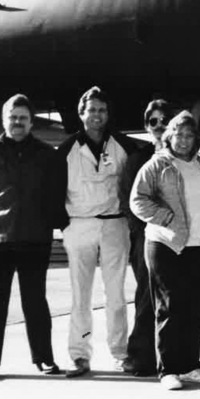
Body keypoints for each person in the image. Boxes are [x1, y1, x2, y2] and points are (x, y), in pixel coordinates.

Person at [130, 111, 200, 390]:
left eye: (189, 135)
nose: (184, 140)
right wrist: (165, 217)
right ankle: (168, 370)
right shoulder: (157, 166)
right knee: (169, 307)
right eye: (179, 134)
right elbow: (137, 200)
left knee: (195, 308)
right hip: (167, 245)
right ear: (169, 136)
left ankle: (190, 365)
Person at [0, 94, 66, 381]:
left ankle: (44, 359)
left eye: (23, 118)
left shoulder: (47, 155)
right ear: (4, 120)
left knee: (35, 302)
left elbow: (55, 194)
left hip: (35, 238)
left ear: (31, 121)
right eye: (13, 117)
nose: (17, 123)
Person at [57, 86, 140, 377]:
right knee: (81, 295)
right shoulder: (66, 149)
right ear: (81, 113)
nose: (97, 115)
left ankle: (120, 354)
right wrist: (63, 223)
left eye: (102, 110)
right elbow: (53, 189)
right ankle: (79, 356)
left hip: (115, 224)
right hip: (79, 224)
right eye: (91, 109)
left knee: (116, 293)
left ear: (108, 114)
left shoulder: (123, 146)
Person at [118, 99, 173, 377]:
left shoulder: (185, 158)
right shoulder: (138, 159)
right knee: (147, 298)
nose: (160, 126)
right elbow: (129, 202)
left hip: (180, 239)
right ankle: (141, 357)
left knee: (177, 300)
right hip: (147, 239)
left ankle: (177, 358)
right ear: (146, 126)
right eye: (154, 121)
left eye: (165, 120)